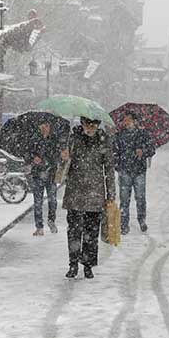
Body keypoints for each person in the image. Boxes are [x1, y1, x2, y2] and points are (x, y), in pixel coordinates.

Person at [62, 117, 115, 279]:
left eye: (93, 124)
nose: (90, 127)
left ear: (98, 125)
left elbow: (109, 169)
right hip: (75, 192)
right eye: (87, 124)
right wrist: (63, 158)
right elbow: (62, 168)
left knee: (91, 233)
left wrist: (111, 194)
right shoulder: (73, 139)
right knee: (74, 231)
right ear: (82, 124)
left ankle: (88, 265)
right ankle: (73, 264)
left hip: (95, 194)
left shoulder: (104, 140)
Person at [112, 113, 155, 234]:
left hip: (139, 171)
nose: (126, 122)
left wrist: (144, 151)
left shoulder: (143, 134)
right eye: (124, 120)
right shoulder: (119, 135)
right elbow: (114, 152)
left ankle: (142, 220)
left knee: (140, 198)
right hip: (124, 171)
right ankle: (124, 224)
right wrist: (118, 166)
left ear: (135, 121)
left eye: (129, 120)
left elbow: (152, 149)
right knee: (124, 199)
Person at [28, 121, 66, 236]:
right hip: (37, 174)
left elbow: (58, 156)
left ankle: (51, 220)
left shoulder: (54, 140)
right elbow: (28, 153)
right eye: (43, 125)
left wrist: (52, 161)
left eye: (48, 125)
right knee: (37, 202)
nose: (45, 128)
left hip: (51, 174)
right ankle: (39, 226)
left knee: (52, 200)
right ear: (40, 126)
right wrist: (33, 158)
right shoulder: (34, 139)